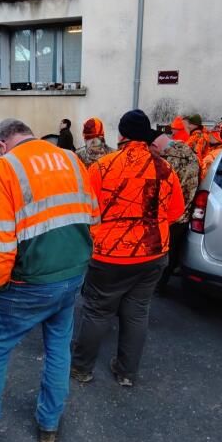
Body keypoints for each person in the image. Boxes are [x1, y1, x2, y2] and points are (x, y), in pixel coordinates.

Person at [0, 118, 98, 442]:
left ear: (1, 144)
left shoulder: (3, 168)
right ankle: (49, 425)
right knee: (58, 349)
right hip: (71, 274)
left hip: (27, 281)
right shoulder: (71, 159)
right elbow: (93, 216)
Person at [71, 109, 185, 388]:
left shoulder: (101, 168)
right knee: (137, 313)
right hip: (154, 254)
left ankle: (82, 368)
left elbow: (85, 212)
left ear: (121, 135)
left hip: (109, 255)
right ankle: (126, 372)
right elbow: (175, 213)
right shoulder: (165, 169)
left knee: (97, 311)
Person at [150, 132, 199, 292]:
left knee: (162, 252)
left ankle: (157, 285)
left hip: (168, 214)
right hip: (184, 215)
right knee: (174, 250)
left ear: (156, 147)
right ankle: (162, 283)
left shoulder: (168, 160)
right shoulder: (190, 152)